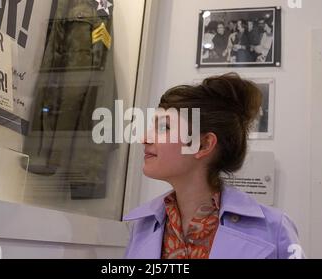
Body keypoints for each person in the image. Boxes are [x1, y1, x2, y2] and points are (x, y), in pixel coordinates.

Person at [123, 73, 304, 259]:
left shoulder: (275, 230)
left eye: (164, 128)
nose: (144, 138)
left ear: (203, 145)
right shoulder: (141, 228)